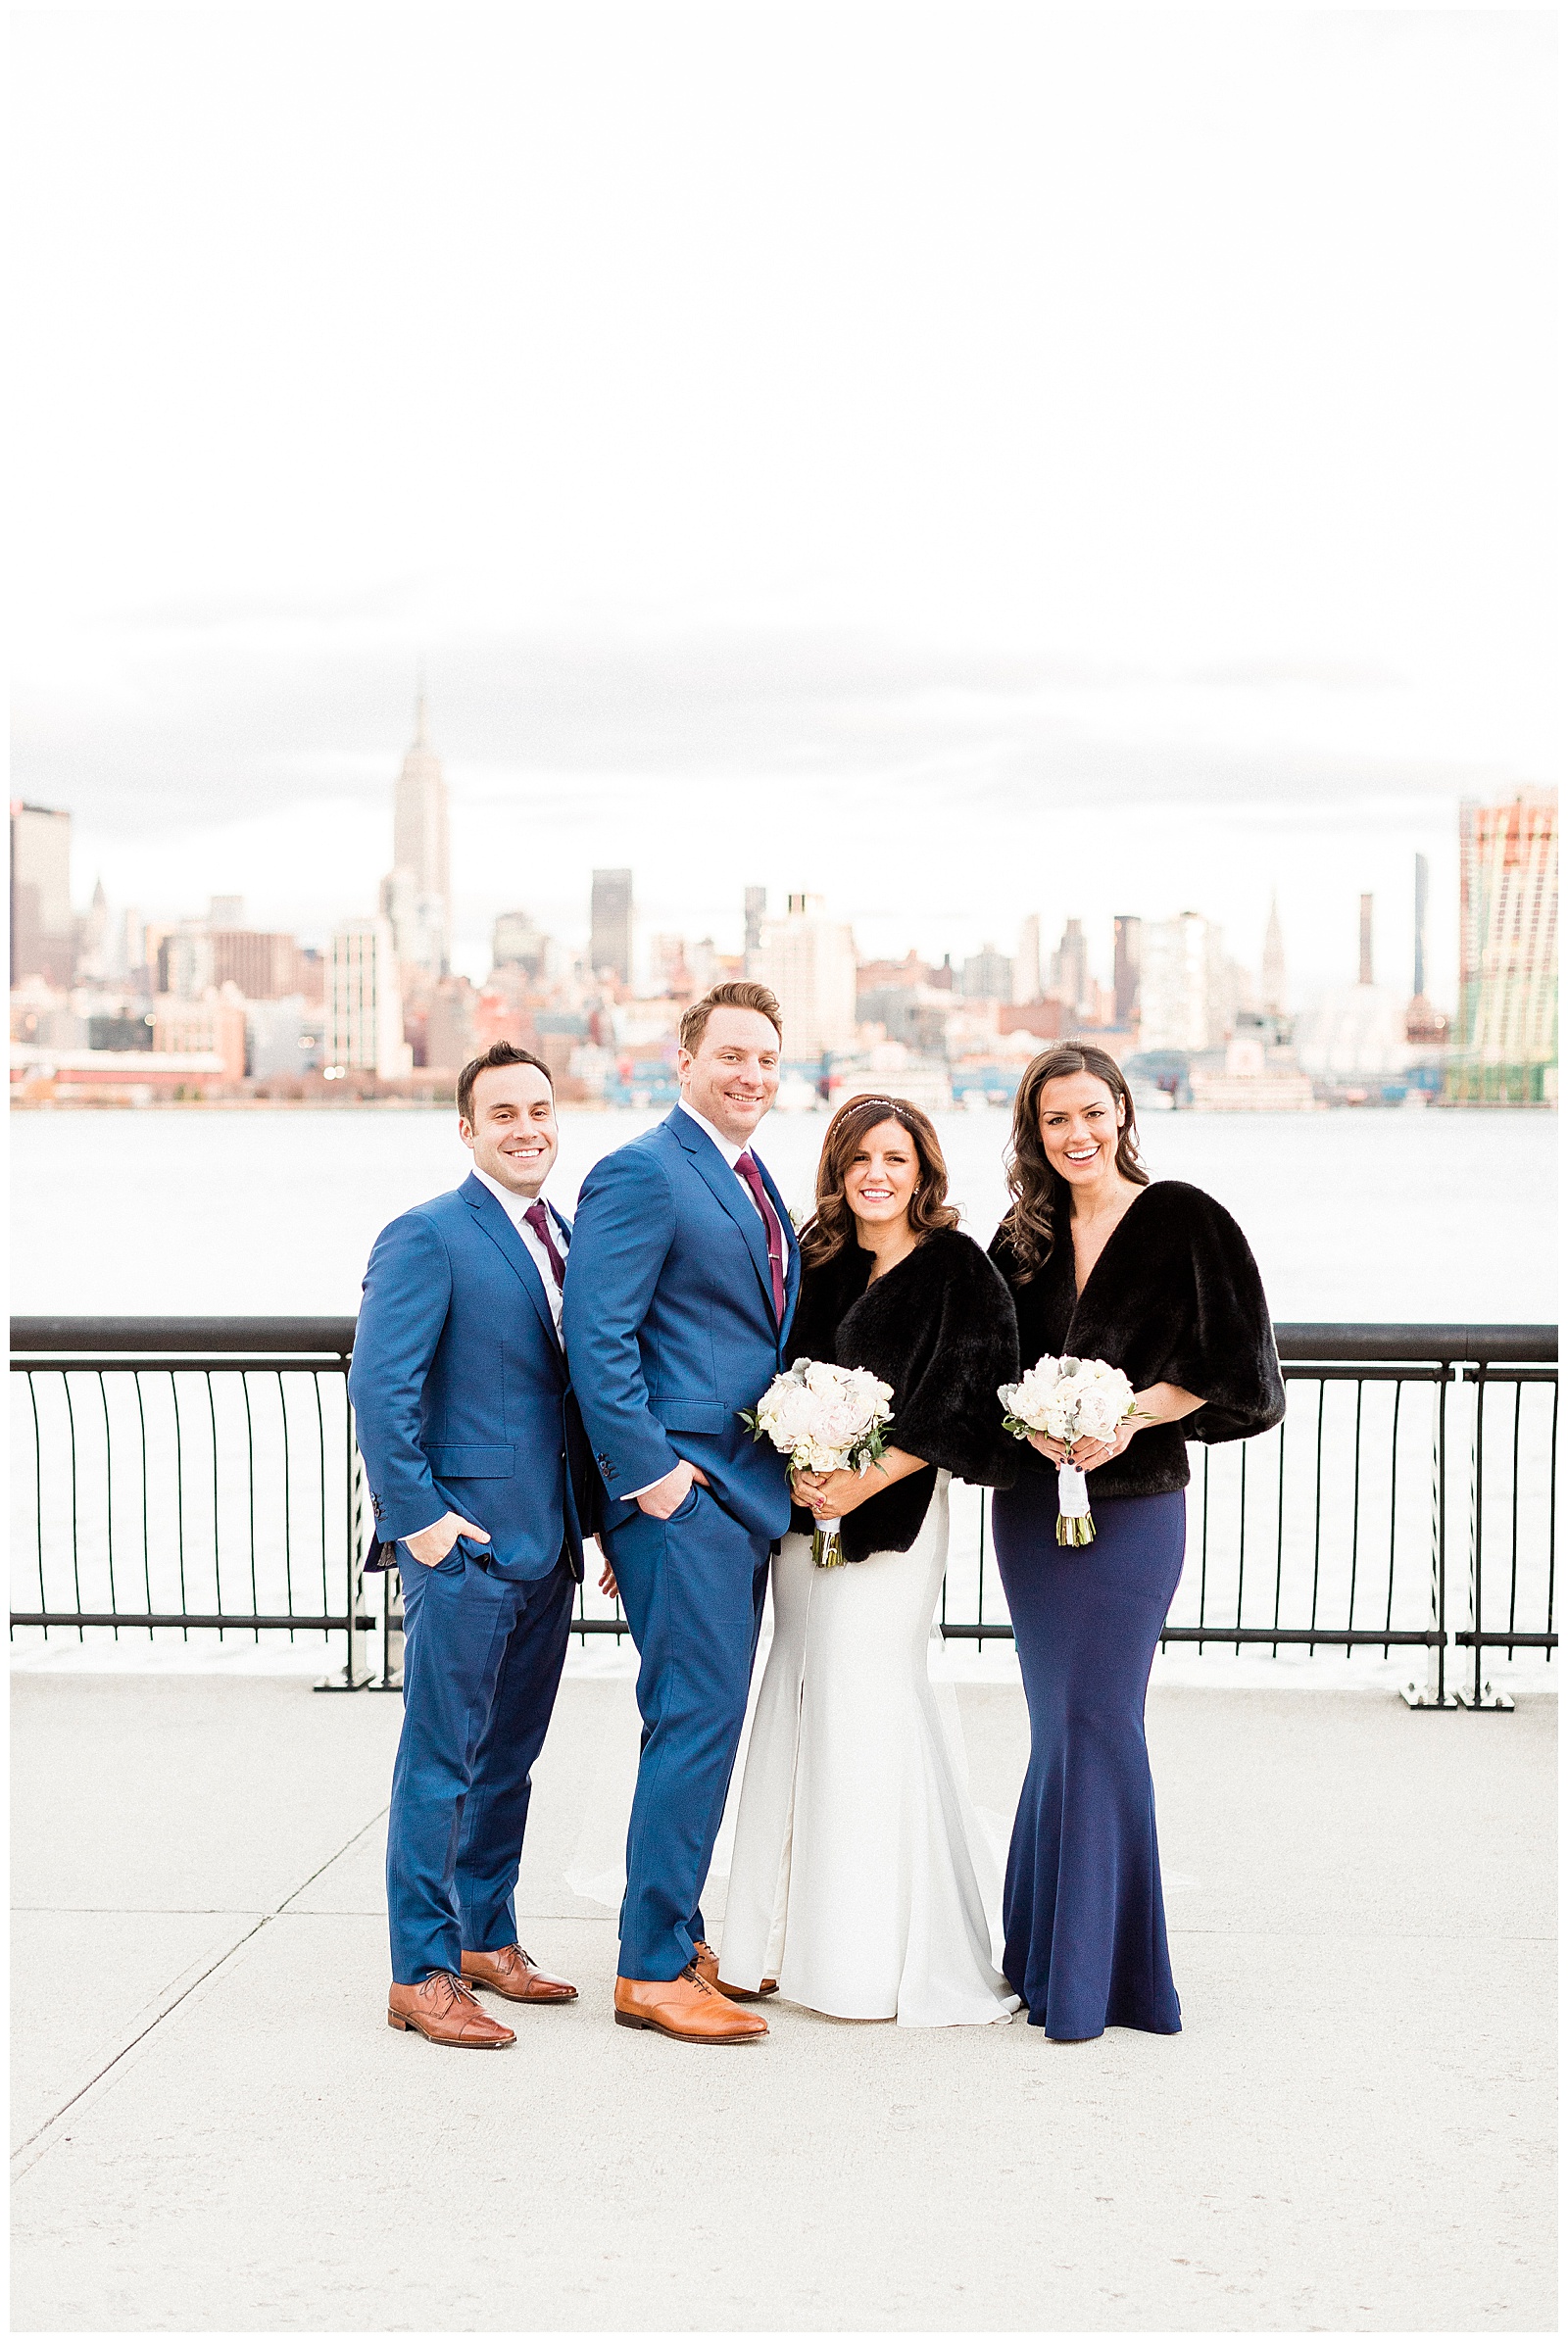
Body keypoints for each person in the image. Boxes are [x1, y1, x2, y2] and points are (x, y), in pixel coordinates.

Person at [988, 1043, 1285, 2041]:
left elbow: (1238, 1371)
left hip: (1136, 1506)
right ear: (1033, 1132)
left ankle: (1103, 1982)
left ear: (1121, 1110)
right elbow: (981, 1373)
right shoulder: (1018, 1242)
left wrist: (1129, 1414)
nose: (1076, 1135)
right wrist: (1029, 1422)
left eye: (1090, 1112)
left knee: (1101, 1717)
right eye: (1053, 1120)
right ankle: (1041, 1956)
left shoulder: (1185, 1218)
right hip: (1031, 1511)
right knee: (1055, 1721)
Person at [719, 1094, 1021, 2026]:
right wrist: (806, 1468)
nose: (875, 1176)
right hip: (804, 1526)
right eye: (859, 1160)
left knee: (866, 1705)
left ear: (923, 1172)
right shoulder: (820, 1260)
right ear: (838, 1171)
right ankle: (766, 1940)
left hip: (894, 1528)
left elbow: (969, 1405)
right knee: (796, 1695)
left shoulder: (956, 1270)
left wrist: (863, 1479)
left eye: (895, 1159)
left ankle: (864, 1956)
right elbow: (781, 1377)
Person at [562, 981, 800, 2046]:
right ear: (684, 1059)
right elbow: (595, 1339)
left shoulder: (752, 1179)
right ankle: (651, 1967)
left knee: (699, 1722)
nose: (751, 1073)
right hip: (686, 1494)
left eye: (767, 1058)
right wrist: (649, 1482)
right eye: (732, 1054)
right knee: (695, 1722)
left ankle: (678, 1934)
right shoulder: (643, 1170)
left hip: (736, 1497)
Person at [350, 1042, 595, 2049]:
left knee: (512, 1757)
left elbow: (570, 1392)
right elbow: (381, 1386)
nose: (526, 1127)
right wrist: (425, 1524)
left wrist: (596, 1522)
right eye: (503, 1113)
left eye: (539, 1108)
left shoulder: (564, 1234)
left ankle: (488, 1934)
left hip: (549, 1542)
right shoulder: (427, 1235)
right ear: (467, 1128)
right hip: (463, 1546)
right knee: (442, 1758)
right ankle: (422, 1969)